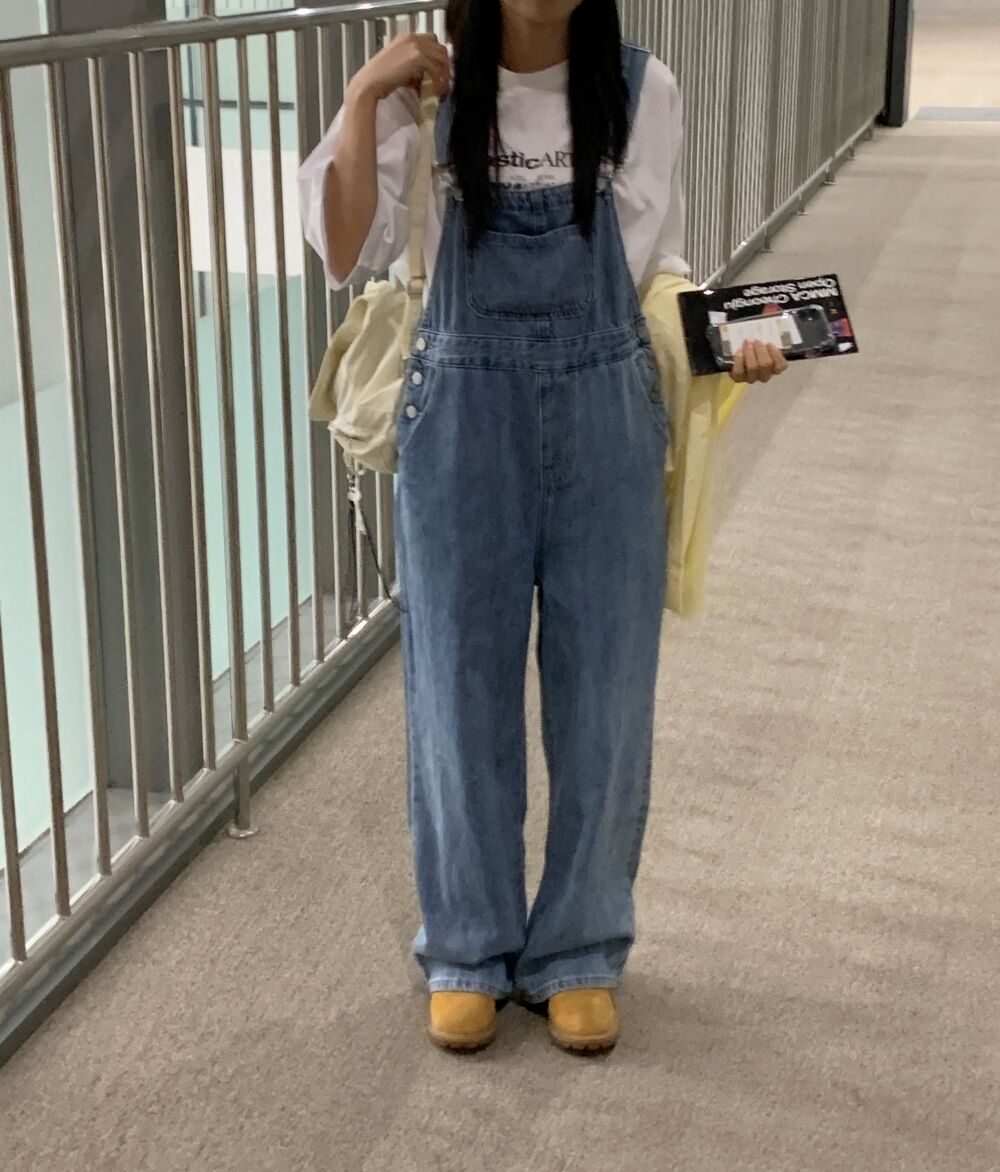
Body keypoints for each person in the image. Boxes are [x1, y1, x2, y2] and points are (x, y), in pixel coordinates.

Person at [299, 0, 786, 1054]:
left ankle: (581, 946)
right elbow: (342, 249)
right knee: (457, 688)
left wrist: (732, 338)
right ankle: (468, 945)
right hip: (459, 423)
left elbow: (650, 272)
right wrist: (363, 93)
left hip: (607, 415)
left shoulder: (642, 90)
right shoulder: (421, 94)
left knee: (605, 688)